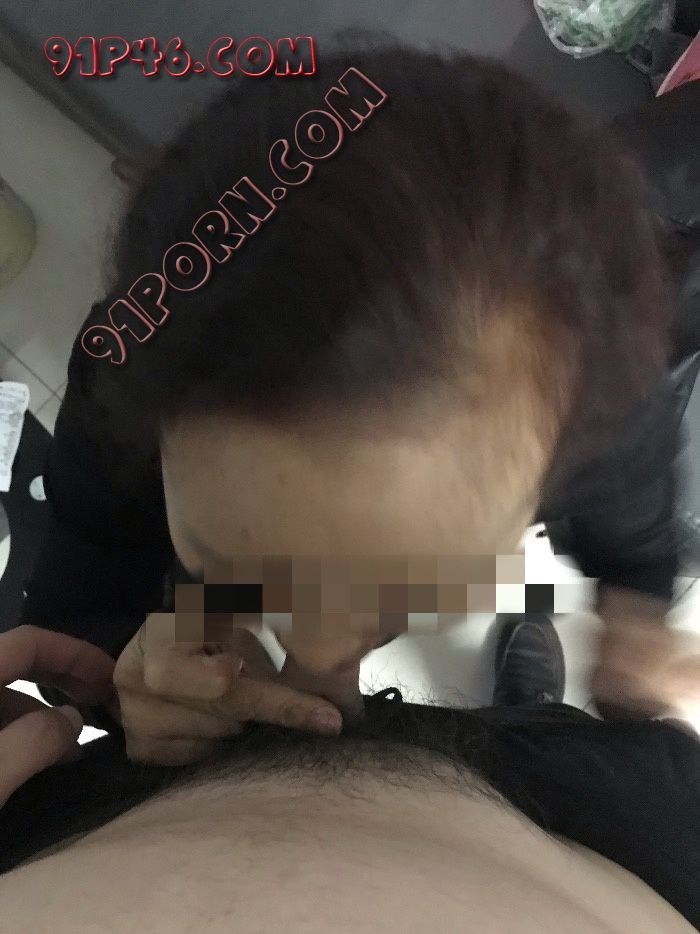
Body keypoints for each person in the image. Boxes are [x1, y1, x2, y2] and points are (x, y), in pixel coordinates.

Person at [13, 44, 700, 760]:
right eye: (238, 564)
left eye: (410, 587)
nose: (320, 657)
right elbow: (77, 606)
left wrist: (636, 612)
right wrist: (129, 681)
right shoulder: (124, 371)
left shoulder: (601, 408)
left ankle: (527, 709)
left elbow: (634, 526)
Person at [0, 618, 697, 931]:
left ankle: (525, 715)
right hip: (610, 831)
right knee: (577, 747)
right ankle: (530, 711)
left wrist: (134, 683)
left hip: (91, 806)